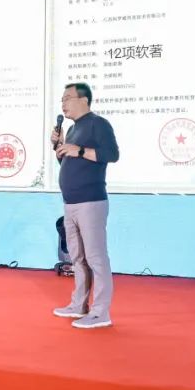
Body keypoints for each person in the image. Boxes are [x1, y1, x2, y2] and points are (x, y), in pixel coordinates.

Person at [51, 82, 119, 329]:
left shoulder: (98, 124)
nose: (63, 103)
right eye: (62, 99)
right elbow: (71, 165)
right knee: (77, 257)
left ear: (84, 100)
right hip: (70, 203)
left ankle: (101, 312)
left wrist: (78, 150)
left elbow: (112, 154)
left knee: (95, 258)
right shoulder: (71, 129)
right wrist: (59, 148)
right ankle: (79, 305)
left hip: (91, 202)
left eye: (67, 98)